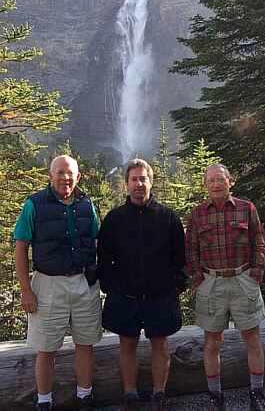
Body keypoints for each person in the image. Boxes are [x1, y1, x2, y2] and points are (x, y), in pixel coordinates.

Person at [98, 158, 186, 411]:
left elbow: (180, 258)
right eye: (134, 179)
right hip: (125, 295)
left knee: (160, 344)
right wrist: (111, 285)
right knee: (127, 344)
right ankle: (130, 393)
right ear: (126, 184)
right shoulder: (114, 219)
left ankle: (159, 393)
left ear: (151, 181)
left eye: (143, 179)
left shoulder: (168, 217)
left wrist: (176, 286)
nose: (139, 184)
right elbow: (104, 257)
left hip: (161, 295)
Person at [14, 155, 102, 411]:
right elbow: (21, 248)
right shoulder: (34, 204)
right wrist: (25, 290)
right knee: (46, 347)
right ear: (51, 176)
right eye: (60, 172)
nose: (65, 178)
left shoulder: (87, 204)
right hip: (48, 284)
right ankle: (44, 401)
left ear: (78, 177)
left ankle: (85, 396)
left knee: (85, 343)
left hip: (84, 282)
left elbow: (96, 242)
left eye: (70, 173)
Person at [186, 164, 265, 411]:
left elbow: (259, 242)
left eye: (220, 179)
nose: (215, 184)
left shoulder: (246, 208)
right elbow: (190, 250)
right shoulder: (198, 214)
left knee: (252, 338)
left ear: (230, 181)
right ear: (205, 185)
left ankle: (257, 392)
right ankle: (216, 396)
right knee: (212, 341)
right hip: (211, 283)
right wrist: (198, 278)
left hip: (244, 278)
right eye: (210, 180)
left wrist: (256, 274)